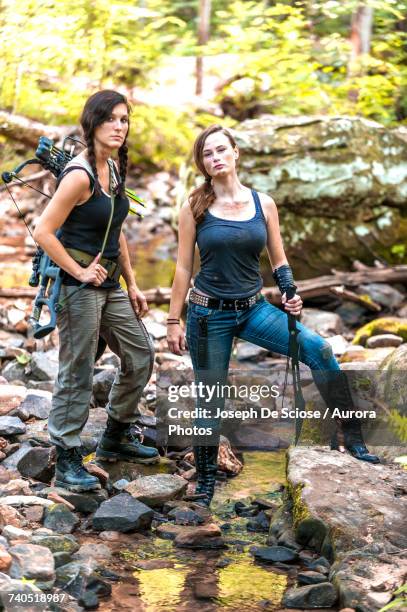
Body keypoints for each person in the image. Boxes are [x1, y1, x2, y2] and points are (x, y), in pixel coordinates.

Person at [167, 124, 379, 507]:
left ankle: (355, 441)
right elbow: (183, 268)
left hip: (253, 310)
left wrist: (290, 293)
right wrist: (172, 320)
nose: (215, 158)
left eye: (220, 150)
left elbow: (278, 258)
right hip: (207, 316)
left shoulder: (263, 204)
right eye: (207, 154)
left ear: (235, 153)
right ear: (203, 163)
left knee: (321, 351)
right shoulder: (194, 206)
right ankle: (206, 485)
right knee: (209, 400)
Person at [34, 90, 159, 492]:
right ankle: (67, 456)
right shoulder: (79, 174)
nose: (119, 127)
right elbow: (43, 231)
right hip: (78, 287)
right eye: (111, 119)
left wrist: (133, 282)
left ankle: (116, 436)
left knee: (141, 353)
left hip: (110, 285)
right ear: (93, 123)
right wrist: (77, 270)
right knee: (78, 369)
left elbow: (117, 233)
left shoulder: (113, 170)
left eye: (124, 120)